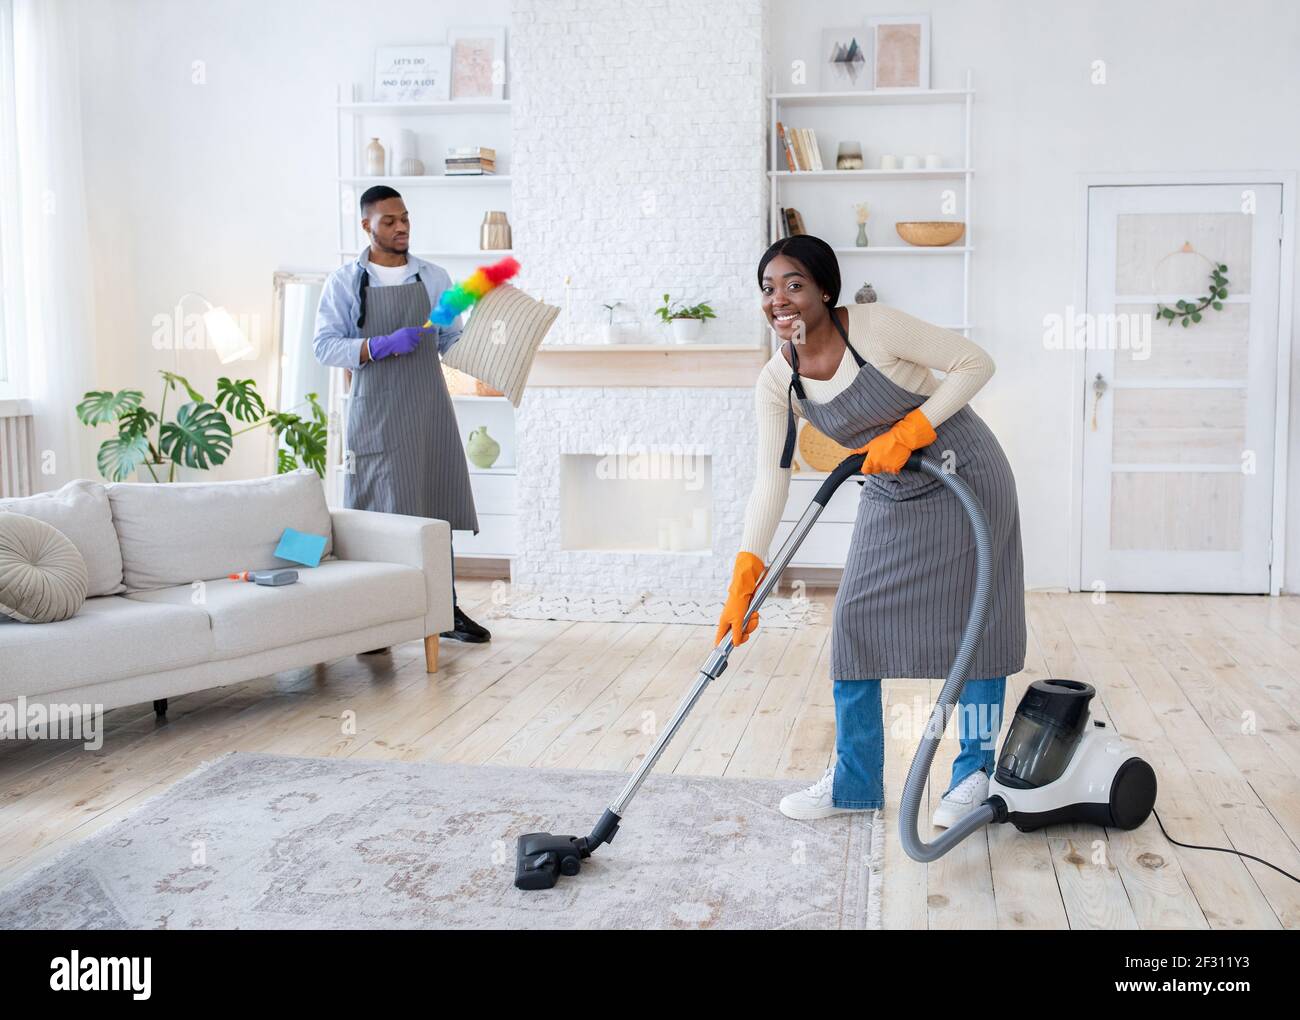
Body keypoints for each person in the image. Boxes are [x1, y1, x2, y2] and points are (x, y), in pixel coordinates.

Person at [716, 234, 1025, 828]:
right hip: (891, 487)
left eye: (793, 284)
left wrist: (911, 430)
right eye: (768, 288)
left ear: (825, 290)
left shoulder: (875, 328)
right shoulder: (777, 381)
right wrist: (747, 568)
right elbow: (770, 480)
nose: (778, 299)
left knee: (979, 624)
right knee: (854, 621)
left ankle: (973, 777)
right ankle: (855, 783)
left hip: (966, 470)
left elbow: (974, 363)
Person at [313, 185, 490, 645]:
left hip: (428, 407)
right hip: (376, 413)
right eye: (389, 221)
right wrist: (377, 346)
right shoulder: (346, 282)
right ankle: (376, 621)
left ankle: (445, 612)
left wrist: (486, 341)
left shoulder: (433, 277)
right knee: (378, 513)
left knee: (436, 505)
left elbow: (451, 342)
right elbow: (324, 346)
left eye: (405, 218)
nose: (401, 227)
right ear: (366, 225)